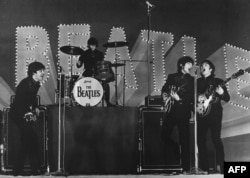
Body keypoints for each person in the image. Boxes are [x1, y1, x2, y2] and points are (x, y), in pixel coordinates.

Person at [9, 61, 45, 176]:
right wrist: (26, 113)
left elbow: (32, 98)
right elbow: (19, 102)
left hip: (24, 113)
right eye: (41, 71)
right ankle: (33, 170)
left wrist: (36, 107)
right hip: (17, 114)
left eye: (43, 71)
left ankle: (20, 171)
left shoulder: (36, 83)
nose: (43, 73)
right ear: (34, 72)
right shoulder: (25, 84)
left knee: (27, 141)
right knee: (30, 139)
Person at [161, 56, 194, 173]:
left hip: (184, 112)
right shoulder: (172, 77)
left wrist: (179, 99)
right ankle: (175, 148)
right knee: (164, 135)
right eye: (189, 63)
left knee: (185, 141)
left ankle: (186, 168)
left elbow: (191, 97)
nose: (191, 66)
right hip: (172, 111)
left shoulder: (191, 80)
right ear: (181, 65)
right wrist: (166, 96)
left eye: (191, 64)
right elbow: (164, 89)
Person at [197, 60, 230, 174]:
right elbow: (193, 98)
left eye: (205, 65)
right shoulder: (197, 82)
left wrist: (221, 93)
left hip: (215, 114)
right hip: (201, 113)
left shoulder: (218, 81)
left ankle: (222, 167)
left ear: (211, 69)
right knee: (200, 140)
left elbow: (227, 98)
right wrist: (198, 100)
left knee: (216, 139)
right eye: (201, 65)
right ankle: (204, 168)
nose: (202, 67)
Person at [77, 37, 114, 106]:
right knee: (80, 84)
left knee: (106, 85)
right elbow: (79, 65)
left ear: (96, 45)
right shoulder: (84, 53)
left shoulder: (100, 54)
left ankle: (107, 102)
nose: (92, 47)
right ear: (89, 45)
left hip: (97, 75)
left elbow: (102, 65)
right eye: (91, 45)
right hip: (87, 74)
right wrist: (78, 63)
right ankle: (81, 102)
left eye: (94, 45)